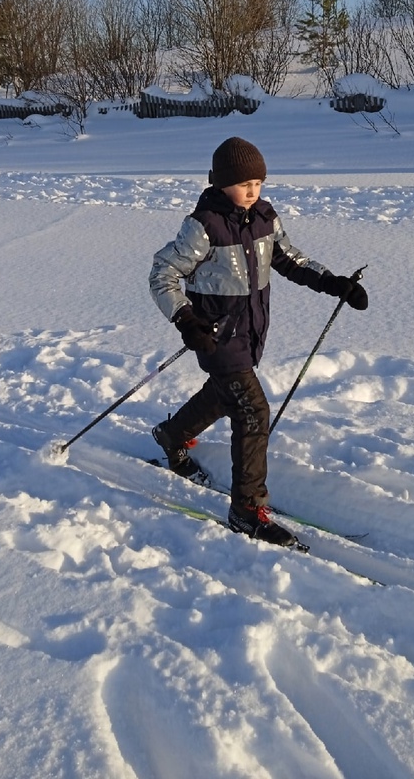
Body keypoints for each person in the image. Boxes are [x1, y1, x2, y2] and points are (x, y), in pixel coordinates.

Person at [149, 136, 368, 547]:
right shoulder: (204, 225)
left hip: (249, 333)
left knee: (222, 395)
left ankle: (171, 436)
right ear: (220, 183)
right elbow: (163, 274)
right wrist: (186, 320)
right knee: (253, 410)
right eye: (244, 184)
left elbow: (289, 259)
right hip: (215, 337)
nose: (253, 192)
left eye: (259, 183)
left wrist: (333, 283)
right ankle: (246, 509)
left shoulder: (265, 218)